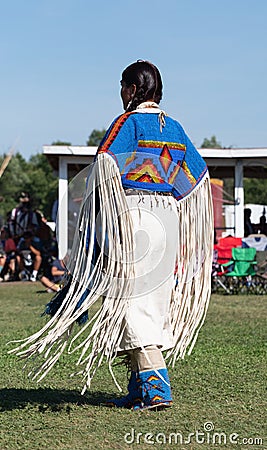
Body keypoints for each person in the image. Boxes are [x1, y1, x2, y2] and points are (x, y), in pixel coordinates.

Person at [10, 61, 213, 410]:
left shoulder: (128, 123)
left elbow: (104, 167)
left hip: (132, 218)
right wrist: (165, 197)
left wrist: (100, 222)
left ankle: (157, 389)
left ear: (133, 89)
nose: (121, 93)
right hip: (166, 219)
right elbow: (195, 179)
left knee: (130, 303)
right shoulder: (176, 129)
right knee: (144, 300)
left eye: (122, 86)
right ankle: (138, 388)